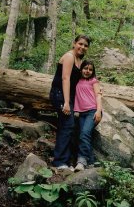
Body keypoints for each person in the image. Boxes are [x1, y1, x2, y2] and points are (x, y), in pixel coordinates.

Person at [49, 34, 91, 170]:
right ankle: (59, 162)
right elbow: (65, 79)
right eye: (80, 44)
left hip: (70, 97)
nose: (82, 47)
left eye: (85, 45)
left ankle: (66, 162)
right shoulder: (69, 57)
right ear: (74, 43)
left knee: (71, 126)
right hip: (60, 95)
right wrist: (66, 102)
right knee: (67, 125)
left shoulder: (79, 60)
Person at [73, 60, 102, 171]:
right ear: (81, 69)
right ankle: (91, 163)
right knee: (82, 135)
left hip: (92, 111)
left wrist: (98, 111)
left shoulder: (93, 81)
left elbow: (98, 96)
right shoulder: (77, 80)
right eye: (85, 68)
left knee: (84, 134)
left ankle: (81, 161)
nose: (87, 71)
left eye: (90, 69)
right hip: (81, 113)